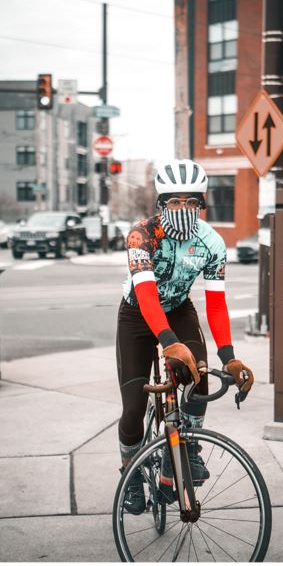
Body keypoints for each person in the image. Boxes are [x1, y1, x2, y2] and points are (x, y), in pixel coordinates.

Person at [115, 160, 254, 515]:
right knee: (132, 407)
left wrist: (229, 357)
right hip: (137, 315)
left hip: (178, 308)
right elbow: (146, 296)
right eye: (175, 202)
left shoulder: (212, 243)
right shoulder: (141, 235)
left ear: (201, 205)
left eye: (191, 202)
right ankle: (130, 476)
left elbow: (217, 305)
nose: (183, 209)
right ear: (161, 205)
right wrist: (167, 341)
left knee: (199, 380)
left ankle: (182, 456)